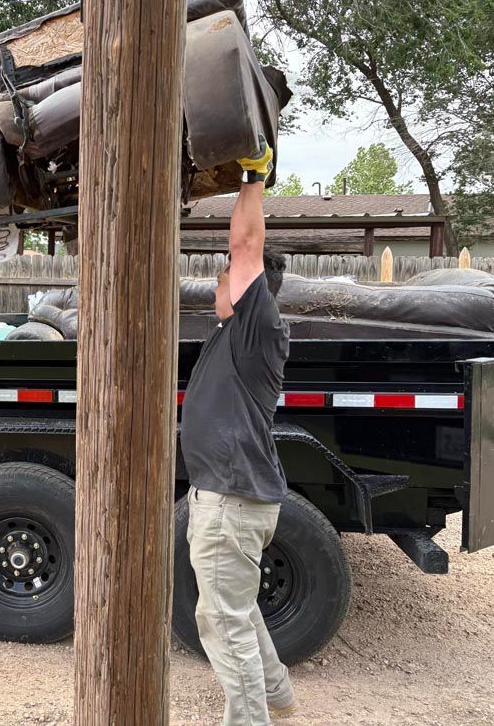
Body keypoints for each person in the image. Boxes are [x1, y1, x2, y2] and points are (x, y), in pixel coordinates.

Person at [179, 141, 298, 725]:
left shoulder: (257, 324)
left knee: (221, 620)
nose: (216, 284)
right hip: (228, 494)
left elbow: (246, 244)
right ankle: (275, 693)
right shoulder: (234, 333)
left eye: (223, 276)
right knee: (236, 608)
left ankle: (250, 719)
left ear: (250, 288)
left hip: (230, 499)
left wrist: (254, 179)